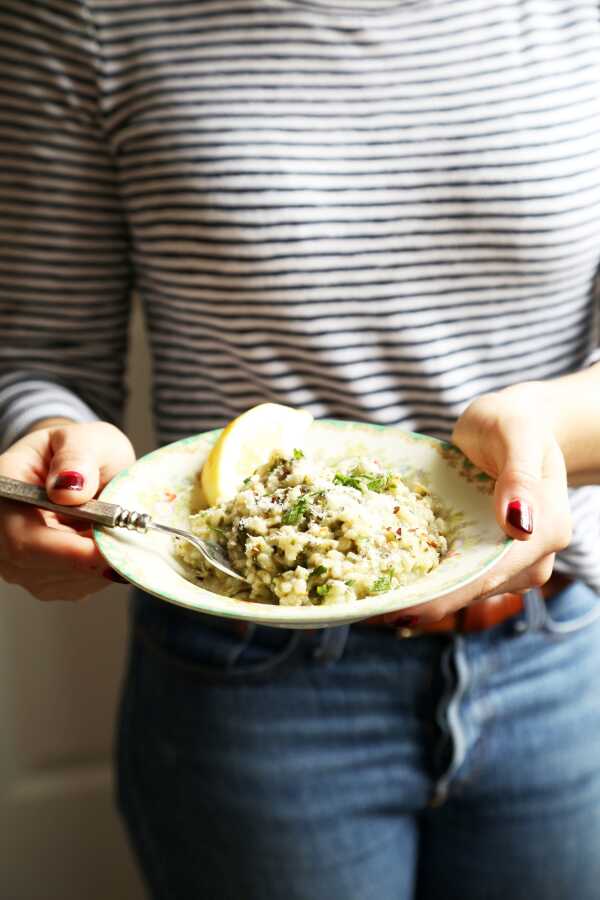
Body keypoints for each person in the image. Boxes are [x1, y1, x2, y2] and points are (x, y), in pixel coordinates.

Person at [1, 1, 600, 897]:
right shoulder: (84, 19)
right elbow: (37, 351)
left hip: (558, 656)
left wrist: (538, 435)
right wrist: (46, 446)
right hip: (246, 679)